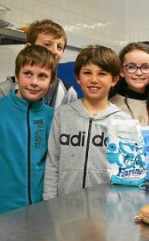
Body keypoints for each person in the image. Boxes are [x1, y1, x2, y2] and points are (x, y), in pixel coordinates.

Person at [0, 45, 57, 217]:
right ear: (17, 76)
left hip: (36, 212)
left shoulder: (51, 116)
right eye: (28, 73)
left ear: (51, 81)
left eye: (42, 76)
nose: (34, 82)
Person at [43, 45, 132, 199]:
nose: (94, 80)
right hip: (64, 208)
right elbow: (52, 164)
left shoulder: (122, 121)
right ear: (78, 77)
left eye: (102, 74)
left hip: (105, 212)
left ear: (114, 79)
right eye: (87, 73)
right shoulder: (62, 115)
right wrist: (49, 203)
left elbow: (126, 173)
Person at [0, 19, 78, 107]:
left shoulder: (67, 94)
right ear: (28, 48)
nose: (55, 51)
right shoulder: (4, 90)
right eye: (47, 44)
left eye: (59, 47)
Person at [109, 42, 149, 125]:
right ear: (121, 71)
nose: (139, 73)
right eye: (131, 67)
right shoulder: (110, 106)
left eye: (145, 67)